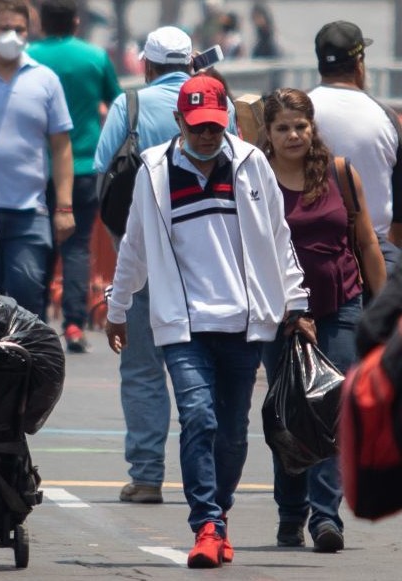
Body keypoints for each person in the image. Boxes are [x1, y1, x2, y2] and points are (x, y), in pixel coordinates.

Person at [105, 75, 313, 569]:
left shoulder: (250, 163)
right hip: (183, 322)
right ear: (178, 122)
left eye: (214, 127)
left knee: (233, 433)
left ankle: (218, 511)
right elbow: (133, 244)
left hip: (244, 322)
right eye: (196, 127)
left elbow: (278, 237)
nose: (206, 136)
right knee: (198, 416)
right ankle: (207, 524)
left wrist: (296, 302)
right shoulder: (153, 171)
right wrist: (117, 308)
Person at [93, 25, 237, 505]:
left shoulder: (128, 106)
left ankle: (148, 474)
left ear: (147, 66)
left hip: (143, 258)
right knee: (205, 371)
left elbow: (103, 173)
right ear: (191, 62)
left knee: (142, 370)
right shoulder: (220, 105)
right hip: (205, 263)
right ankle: (210, 477)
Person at [260, 88, 386, 553]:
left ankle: (326, 517)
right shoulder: (256, 180)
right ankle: (291, 513)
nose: (294, 135)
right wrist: (289, 311)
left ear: (313, 128)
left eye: (301, 126)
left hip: (342, 306)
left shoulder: (339, 173)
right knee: (291, 413)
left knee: (333, 410)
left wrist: (383, 306)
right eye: (283, 128)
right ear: (268, 135)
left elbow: (368, 243)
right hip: (280, 315)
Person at [0, 0, 74, 317]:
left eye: (19, 29)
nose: (12, 36)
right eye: (4, 29)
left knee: (27, 291)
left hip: (29, 210)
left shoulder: (45, 80)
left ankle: (24, 361)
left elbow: (61, 146)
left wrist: (64, 206)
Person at [28, 0, 121, 353]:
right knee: (78, 245)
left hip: (39, 168)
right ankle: (73, 325)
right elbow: (116, 102)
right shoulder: (95, 58)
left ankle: (35, 321)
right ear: (77, 22)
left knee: (39, 244)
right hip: (84, 165)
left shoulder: (29, 56)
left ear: (42, 22)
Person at [309, 21, 402, 271]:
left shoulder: (297, 116)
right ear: (359, 64)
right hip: (379, 252)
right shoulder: (387, 118)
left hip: (313, 251)